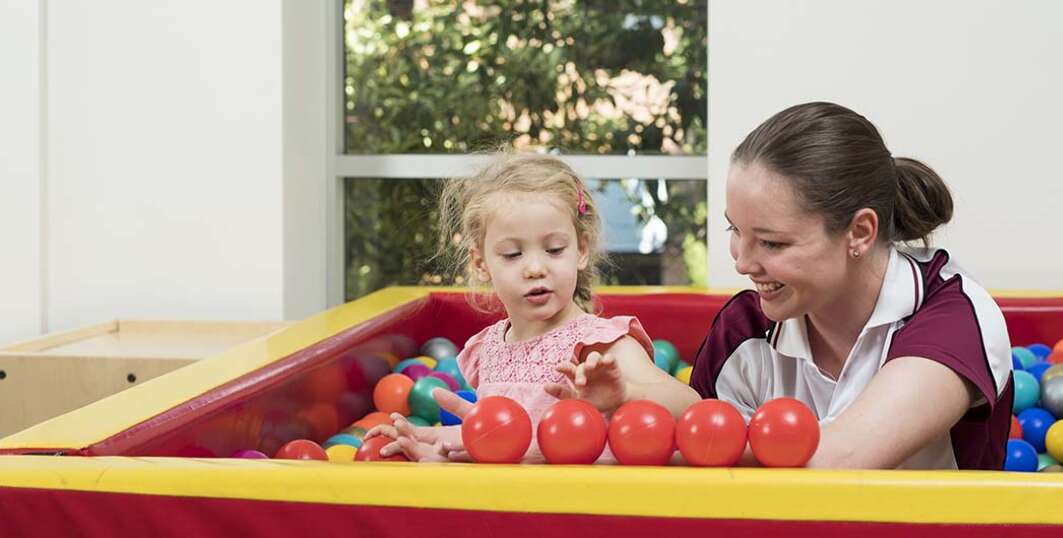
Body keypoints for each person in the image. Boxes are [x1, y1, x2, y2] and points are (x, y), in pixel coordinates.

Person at [690, 102, 1012, 470]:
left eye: (771, 243)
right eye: (735, 230)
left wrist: (696, 443)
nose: (742, 263)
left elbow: (844, 457)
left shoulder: (954, 316)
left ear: (859, 232)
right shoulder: (743, 330)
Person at [365, 152, 698, 462]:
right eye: (513, 254)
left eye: (554, 250)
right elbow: (503, 437)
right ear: (481, 264)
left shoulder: (600, 345)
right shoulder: (487, 350)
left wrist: (625, 394)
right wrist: (434, 442)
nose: (536, 268)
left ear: (581, 249)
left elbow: (691, 407)